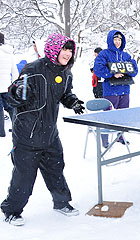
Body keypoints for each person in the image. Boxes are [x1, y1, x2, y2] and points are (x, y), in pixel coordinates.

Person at [1, 33, 85, 226]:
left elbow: (65, 94)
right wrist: (16, 94)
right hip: (27, 135)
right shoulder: (33, 69)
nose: (68, 53)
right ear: (54, 48)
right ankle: (11, 210)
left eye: (70, 50)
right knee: (24, 177)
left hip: (50, 133)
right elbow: (14, 97)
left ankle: (61, 203)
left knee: (56, 171)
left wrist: (72, 101)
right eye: (64, 49)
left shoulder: (66, 73)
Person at [93, 30, 138, 148]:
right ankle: (105, 139)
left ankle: (120, 136)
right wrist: (112, 74)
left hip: (125, 90)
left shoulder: (126, 55)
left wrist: (127, 70)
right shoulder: (104, 54)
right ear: (110, 40)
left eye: (119, 40)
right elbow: (98, 69)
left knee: (123, 116)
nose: (117, 42)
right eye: (115, 39)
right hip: (110, 90)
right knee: (108, 116)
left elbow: (135, 70)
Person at [0, 32, 19, 137]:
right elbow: (15, 70)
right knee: (11, 108)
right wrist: (13, 84)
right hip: (7, 86)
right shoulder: (9, 53)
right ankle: (17, 129)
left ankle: (1, 133)